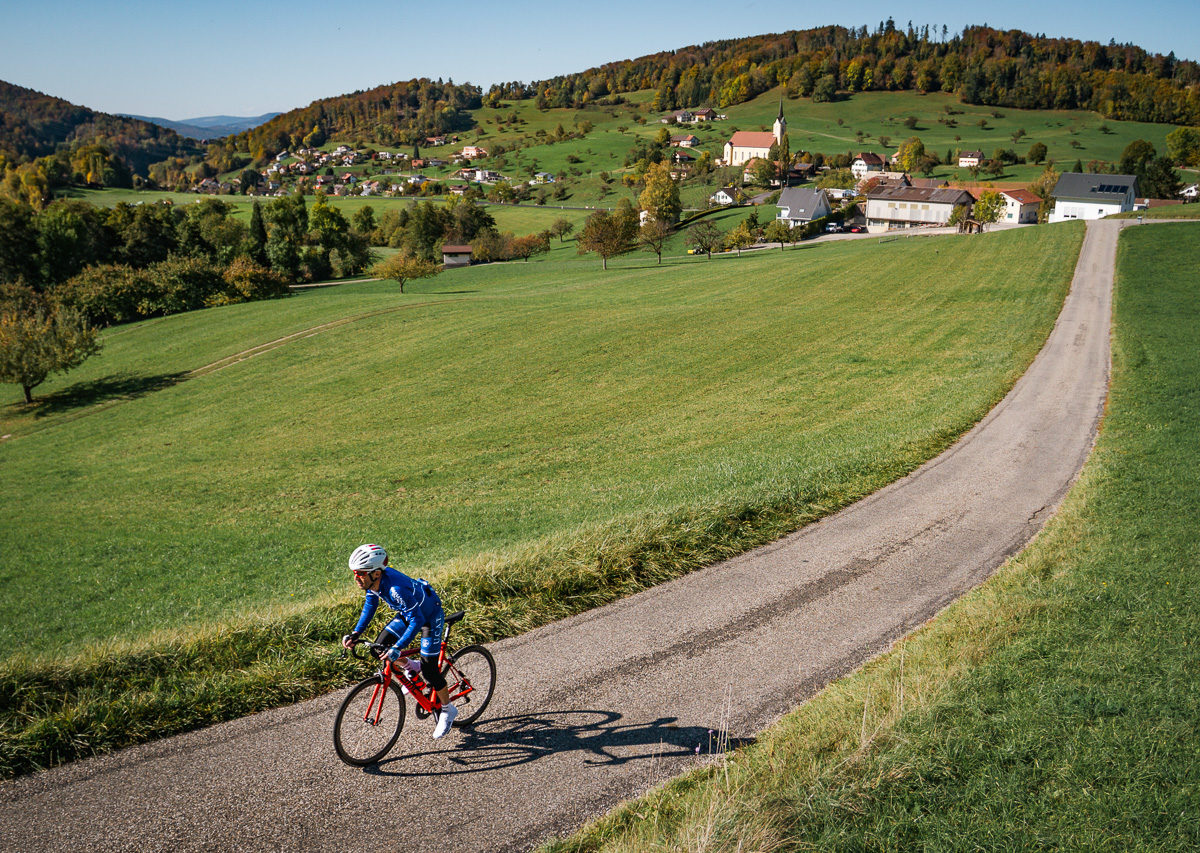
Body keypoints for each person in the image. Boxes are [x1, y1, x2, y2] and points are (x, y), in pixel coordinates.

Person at [341, 544, 458, 738]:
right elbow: (370, 605)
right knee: (379, 649)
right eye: (354, 573)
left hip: (429, 616)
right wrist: (356, 633)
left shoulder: (396, 590)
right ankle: (412, 666)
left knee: (430, 670)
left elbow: (418, 620)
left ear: (376, 574)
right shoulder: (373, 583)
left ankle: (447, 709)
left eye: (360, 573)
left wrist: (398, 647)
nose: (356, 578)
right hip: (409, 613)